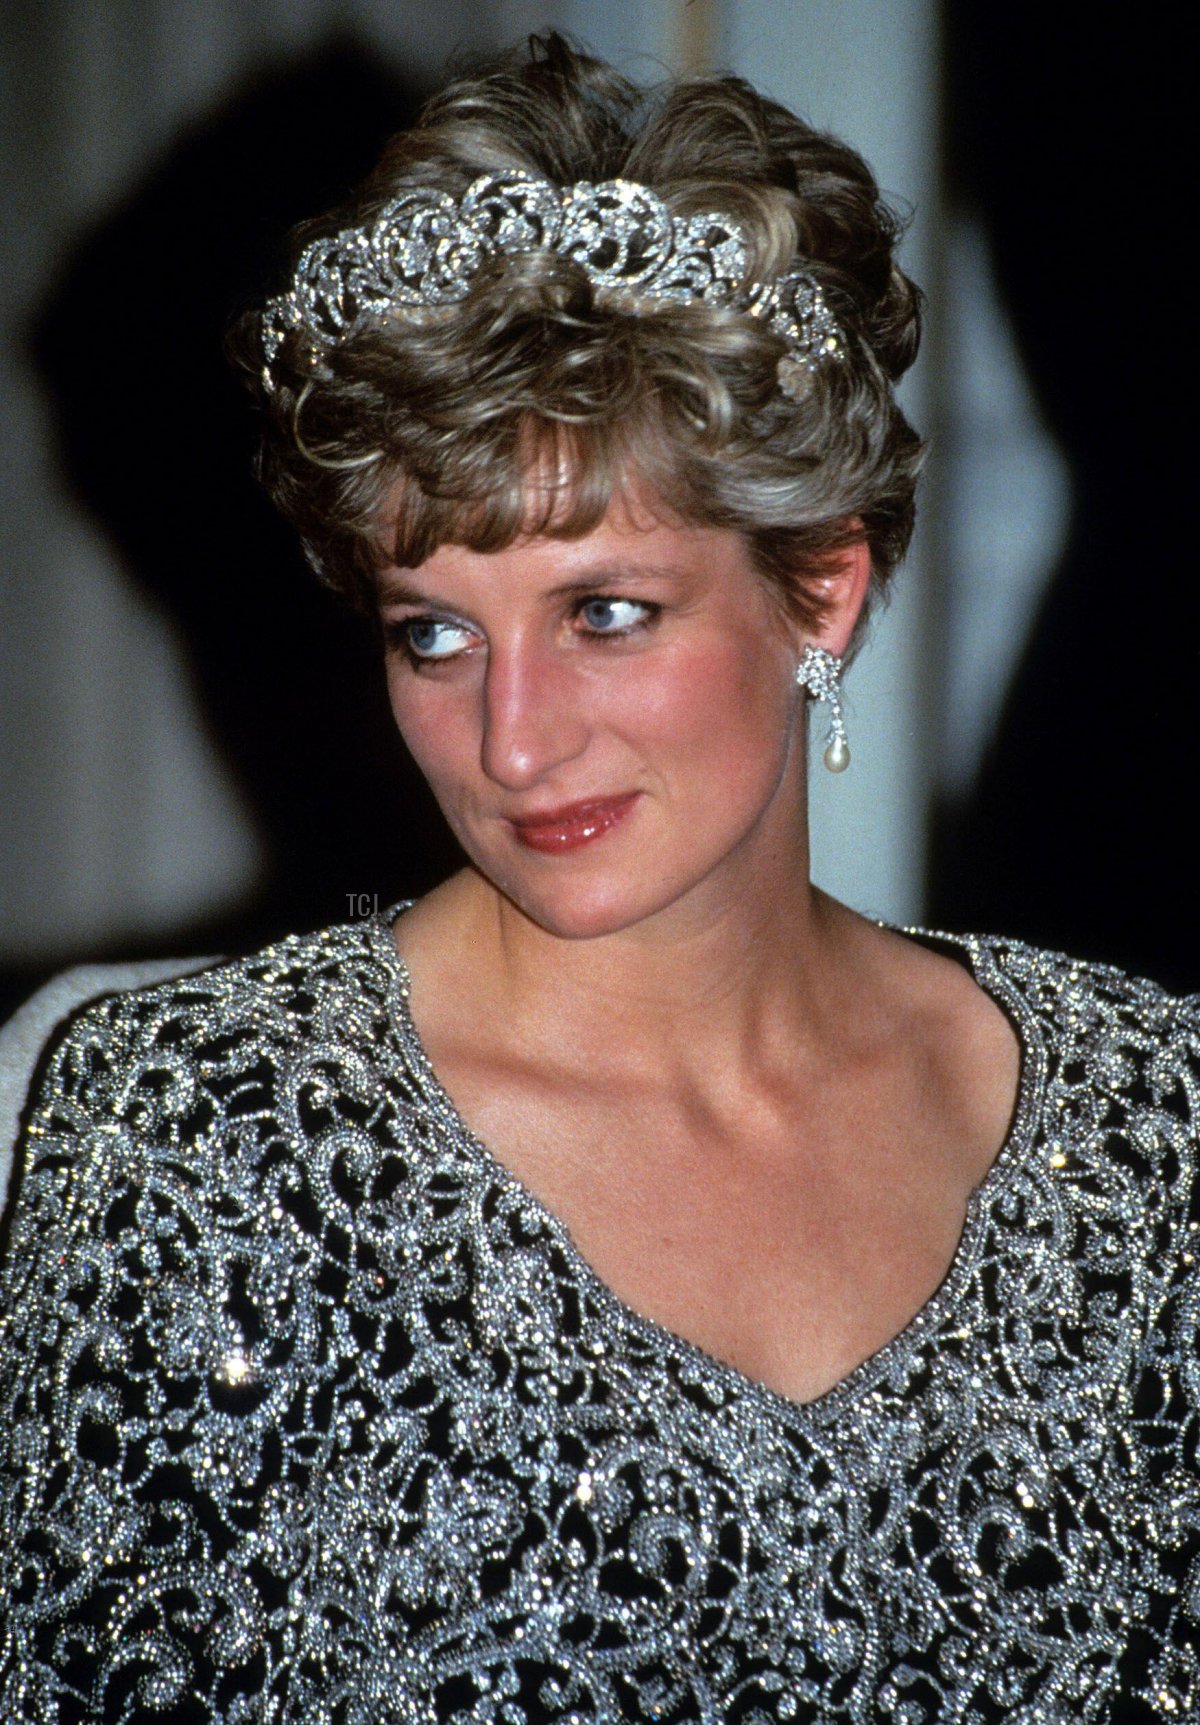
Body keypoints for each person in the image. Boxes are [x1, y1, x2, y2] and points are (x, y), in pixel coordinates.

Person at [0, 33, 1196, 1725]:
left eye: (604, 612)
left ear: (822, 590)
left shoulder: (1152, 1127)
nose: (510, 739)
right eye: (434, 634)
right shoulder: (195, 1135)